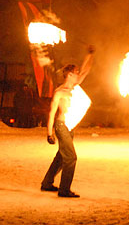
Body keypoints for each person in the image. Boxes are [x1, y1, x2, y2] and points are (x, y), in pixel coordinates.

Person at [41, 45, 95, 198]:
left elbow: (86, 70)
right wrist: (49, 133)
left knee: (61, 155)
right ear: (70, 74)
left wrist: (89, 55)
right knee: (70, 157)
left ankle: (47, 183)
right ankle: (64, 190)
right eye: (76, 73)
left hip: (69, 127)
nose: (79, 75)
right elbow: (52, 113)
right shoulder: (60, 92)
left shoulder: (75, 87)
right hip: (61, 126)